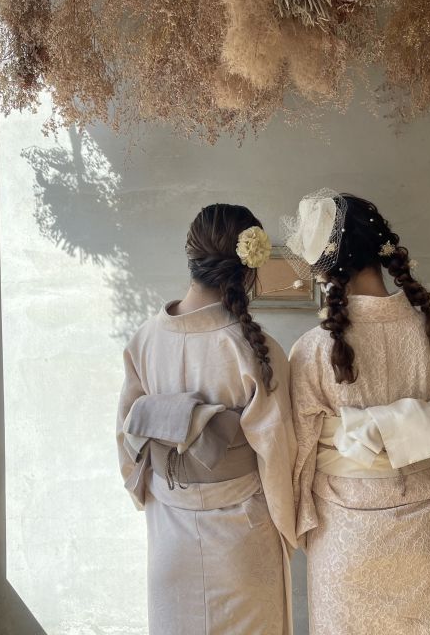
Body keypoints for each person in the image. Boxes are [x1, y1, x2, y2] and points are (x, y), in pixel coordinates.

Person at [285, 190, 430, 635]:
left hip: (343, 531)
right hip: (419, 529)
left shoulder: (313, 348)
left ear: (329, 266)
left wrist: (297, 521)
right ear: (378, 250)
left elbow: (299, 455)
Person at [116, 204, 297, 635]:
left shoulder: (144, 340)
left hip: (169, 527)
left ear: (190, 253)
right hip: (242, 535)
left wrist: (151, 496)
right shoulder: (255, 348)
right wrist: (288, 531)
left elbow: (127, 440)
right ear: (248, 267)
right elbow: (277, 454)